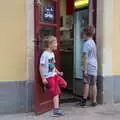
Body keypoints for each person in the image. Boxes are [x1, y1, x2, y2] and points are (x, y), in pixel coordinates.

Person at [39, 36, 67, 116]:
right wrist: (43, 78)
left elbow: (52, 66)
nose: (57, 44)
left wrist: (58, 72)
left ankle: (49, 87)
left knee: (64, 84)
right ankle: (56, 110)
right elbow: (40, 66)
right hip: (49, 77)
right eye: (55, 43)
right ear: (49, 44)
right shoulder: (45, 54)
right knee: (56, 93)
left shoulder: (52, 54)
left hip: (54, 75)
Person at [80, 25, 97, 107]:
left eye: (83, 34)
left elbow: (85, 57)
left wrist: (85, 69)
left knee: (86, 83)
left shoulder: (86, 44)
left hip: (88, 66)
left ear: (86, 34)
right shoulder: (93, 42)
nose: (83, 35)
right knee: (93, 84)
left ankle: (84, 100)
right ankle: (94, 101)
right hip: (94, 65)